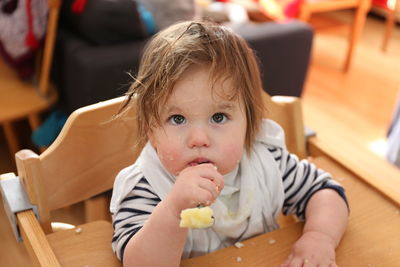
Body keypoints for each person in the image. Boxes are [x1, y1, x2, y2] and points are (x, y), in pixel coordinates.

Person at [110, 20, 349, 267]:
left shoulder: (265, 160)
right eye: (177, 119)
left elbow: (326, 192)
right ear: (151, 131)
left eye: (219, 117)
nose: (199, 139)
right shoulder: (146, 185)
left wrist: (319, 237)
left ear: (249, 123)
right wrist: (172, 210)